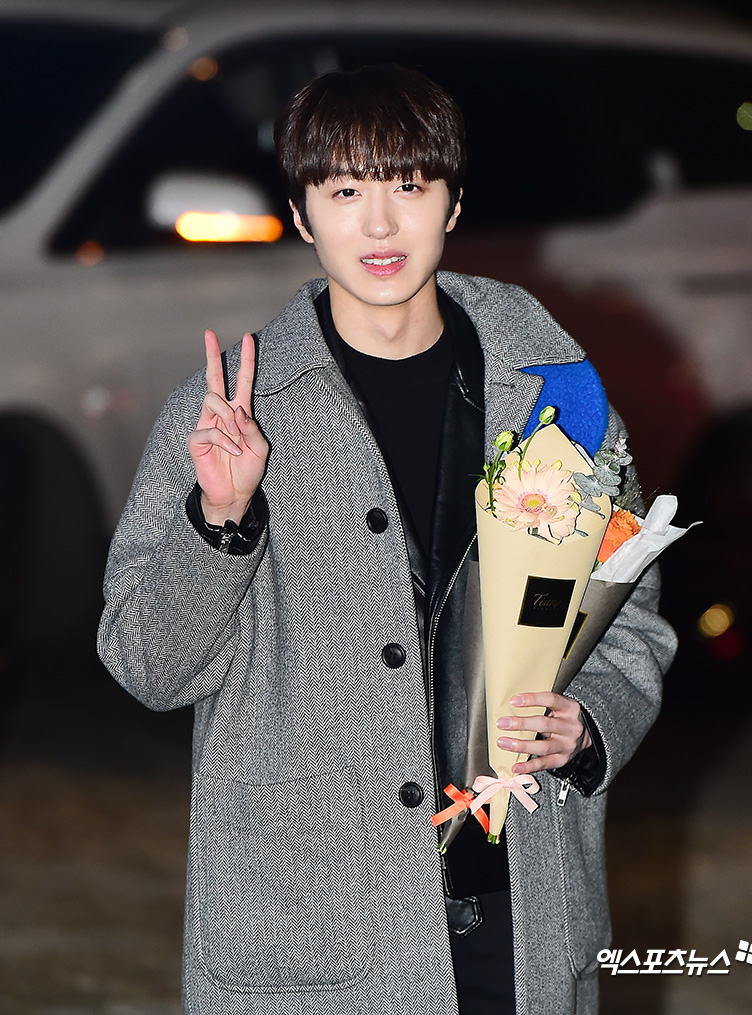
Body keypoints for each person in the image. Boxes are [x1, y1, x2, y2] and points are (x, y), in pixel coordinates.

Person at [98, 64, 676, 1015]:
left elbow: (633, 612)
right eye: (344, 192)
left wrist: (591, 720)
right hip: (318, 929)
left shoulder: (554, 392)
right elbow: (147, 664)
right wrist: (220, 521)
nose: (379, 224)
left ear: (453, 204)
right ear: (301, 213)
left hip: (522, 906)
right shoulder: (233, 415)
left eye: (409, 185)